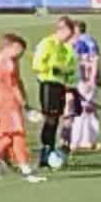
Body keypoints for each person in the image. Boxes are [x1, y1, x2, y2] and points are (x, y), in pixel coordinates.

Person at [0, 34, 42, 182]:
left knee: (9, 136)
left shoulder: (6, 60)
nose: (21, 54)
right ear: (14, 46)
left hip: (5, 102)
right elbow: (13, 86)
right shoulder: (7, 63)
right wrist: (25, 104)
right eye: (20, 50)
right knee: (17, 135)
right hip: (7, 103)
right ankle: (25, 170)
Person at [30, 17, 80, 169]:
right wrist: (56, 68)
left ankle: (49, 150)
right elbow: (37, 64)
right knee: (49, 119)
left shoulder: (67, 48)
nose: (69, 38)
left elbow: (71, 68)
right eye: (68, 34)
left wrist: (70, 80)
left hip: (61, 86)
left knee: (55, 120)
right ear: (61, 30)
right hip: (48, 84)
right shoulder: (47, 43)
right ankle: (45, 152)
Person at [69, 21, 101, 151]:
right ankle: (87, 139)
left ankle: (78, 141)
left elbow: (93, 59)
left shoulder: (81, 42)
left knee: (82, 109)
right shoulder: (90, 40)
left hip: (84, 79)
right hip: (86, 78)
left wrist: (91, 79)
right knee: (88, 109)